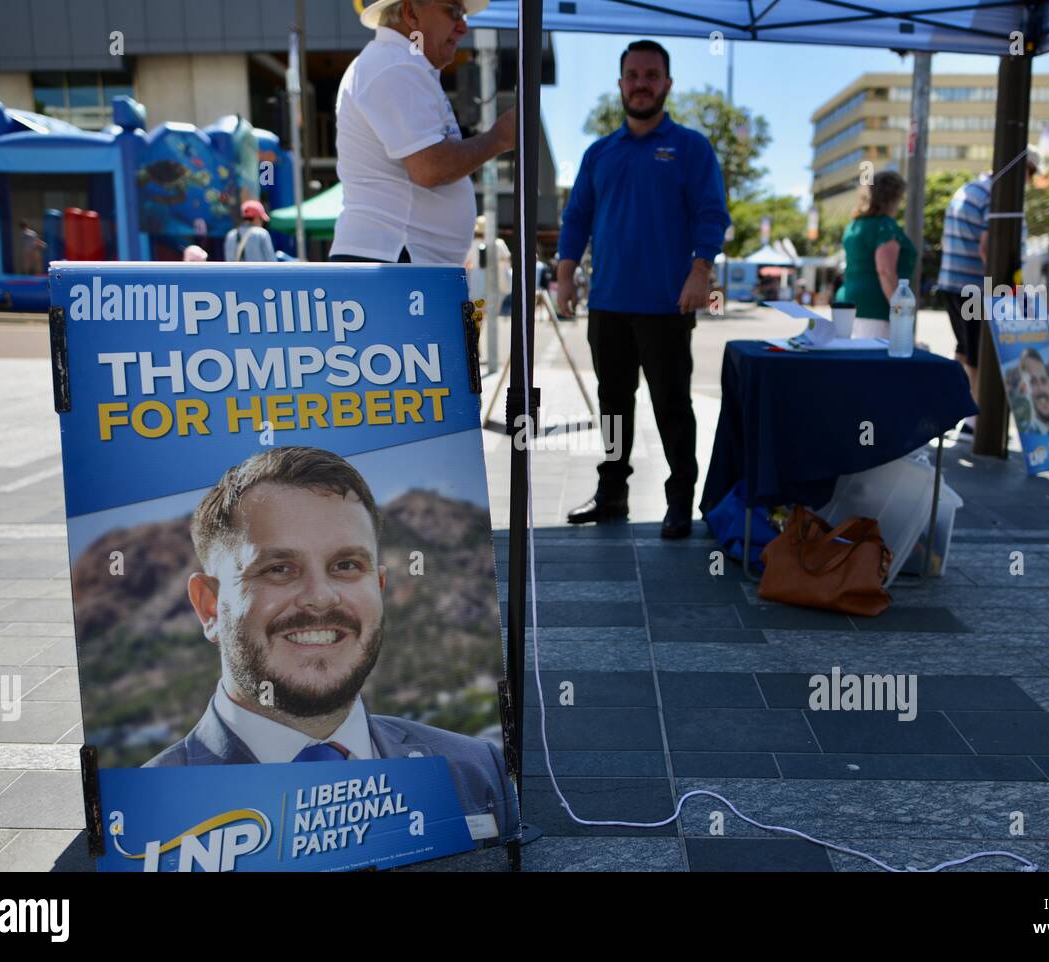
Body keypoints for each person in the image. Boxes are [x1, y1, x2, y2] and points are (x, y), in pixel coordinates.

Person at [145, 446, 517, 842]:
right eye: (279, 569)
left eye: (346, 566)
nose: (320, 597)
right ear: (209, 607)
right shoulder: (146, 813)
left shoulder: (475, 771)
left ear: (379, 587)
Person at [556, 39, 730, 540]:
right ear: (620, 84)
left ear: (667, 84)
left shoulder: (691, 147)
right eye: (633, 75)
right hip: (608, 304)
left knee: (672, 406)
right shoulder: (600, 153)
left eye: (651, 75)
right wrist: (566, 274)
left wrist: (701, 270)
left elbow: (711, 214)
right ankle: (612, 492)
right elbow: (577, 219)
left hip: (666, 305)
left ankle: (681, 501)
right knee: (613, 405)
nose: (641, 84)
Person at [331, 0, 514, 265]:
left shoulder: (396, 63)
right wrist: (499, 137)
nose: (463, 27)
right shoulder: (395, 65)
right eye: (453, 11)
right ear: (411, 13)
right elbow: (430, 167)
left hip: (397, 257)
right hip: (395, 258)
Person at [938, 152, 1039, 434]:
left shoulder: (971, 189)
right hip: (975, 286)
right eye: (1029, 177)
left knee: (963, 351)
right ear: (1023, 173)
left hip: (952, 281)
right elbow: (988, 246)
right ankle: (974, 424)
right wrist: (1003, 291)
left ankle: (951, 413)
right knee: (980, 358)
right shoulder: (997, 194)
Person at [835, 171, 915, 338]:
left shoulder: (853, 225)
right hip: (876, 307)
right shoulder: (885, 226)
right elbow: (885, 271)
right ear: (893, 197)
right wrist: (902, 314)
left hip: (846, 301)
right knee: (874, 361)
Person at [1017, 348, 1049, 436]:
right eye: (1033, 382)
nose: (1041, 389)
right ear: (1024, 389)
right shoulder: (1029, 439)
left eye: (1044, 380)